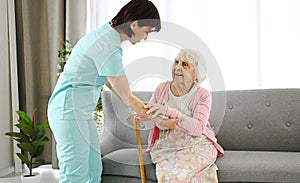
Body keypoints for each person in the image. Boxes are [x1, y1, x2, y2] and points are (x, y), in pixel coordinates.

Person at [47, 1, 176, 182]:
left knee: (93, 170)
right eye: (146, 32)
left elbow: (112, 83)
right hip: (68, 111)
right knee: (75, 175)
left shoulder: (108, 37)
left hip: (80, 113)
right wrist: (160, 119)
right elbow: (126, 95)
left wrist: (133, 105)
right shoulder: (107, 45)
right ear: (134, 24)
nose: (145, 38)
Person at [142, 49, 224, 182]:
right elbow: (149, 111)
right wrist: (138, 116)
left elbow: (197, 128)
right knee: (169, 175)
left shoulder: (203, 95)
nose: (178, 67)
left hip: (197, 144)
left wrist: (168, 111)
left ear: (196, 73)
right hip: (167, 146)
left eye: (185, 64)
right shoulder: (162, 88)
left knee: (185, 174)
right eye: (176, 62)